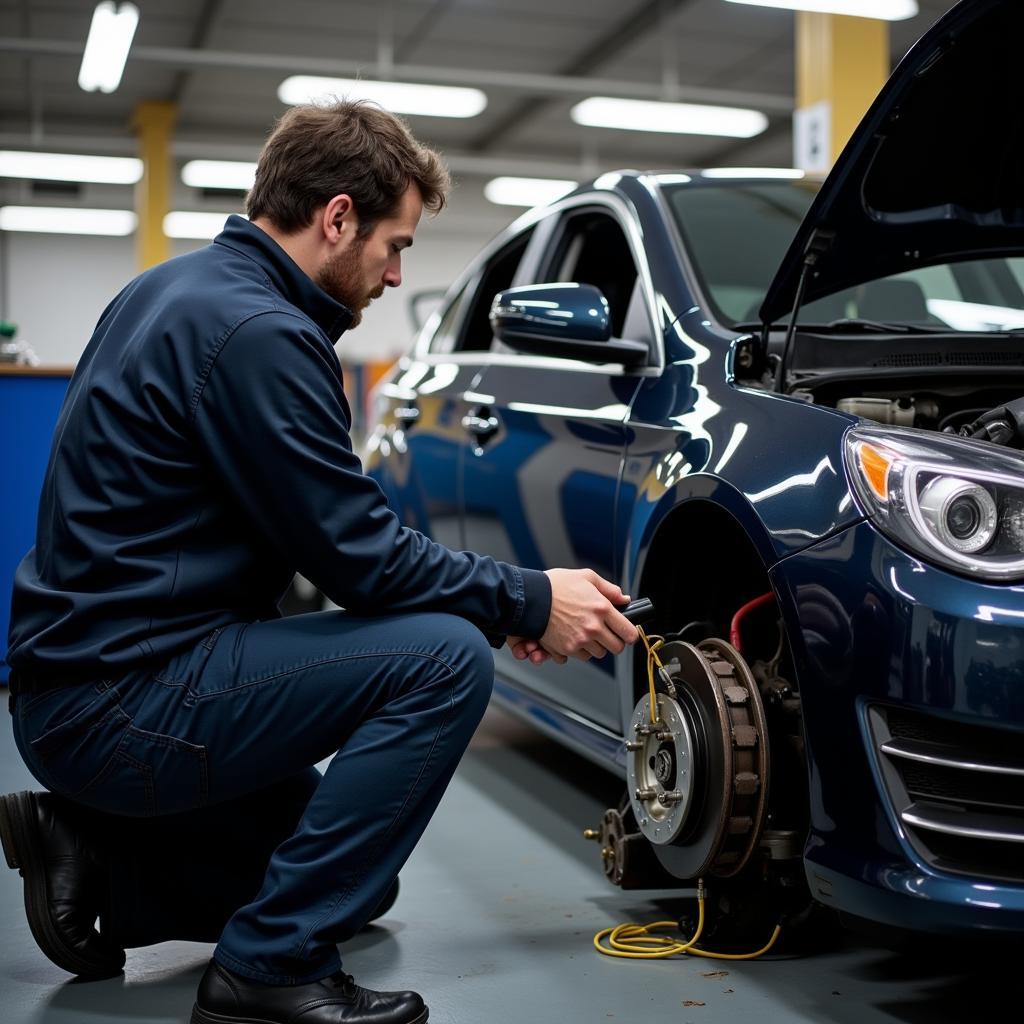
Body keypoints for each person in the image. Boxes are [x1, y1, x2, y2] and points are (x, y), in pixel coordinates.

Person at [1, 99, 638, 1024]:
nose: (395, 272)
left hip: (81, 685)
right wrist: (527, 600)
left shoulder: (171, 290)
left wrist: (494, 601)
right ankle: (264, 970)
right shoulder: (261, 334)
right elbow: (363, 562)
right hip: (123, 704)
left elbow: (334, 542)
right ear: (337, 218)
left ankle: (99, 863)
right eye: (395, 244)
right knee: (445, 661)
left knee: (352, 882)